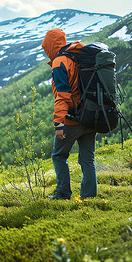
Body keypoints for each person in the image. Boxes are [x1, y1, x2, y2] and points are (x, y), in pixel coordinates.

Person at [41, 28, 97, 200]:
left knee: (58, 155)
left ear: (50, 45)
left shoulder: (60, 62)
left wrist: (59, 124)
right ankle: (89, 197)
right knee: (88, 159)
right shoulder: (79, 55)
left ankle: (63, 193)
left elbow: (62, 96)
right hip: (91, 115)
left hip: (72, 119)